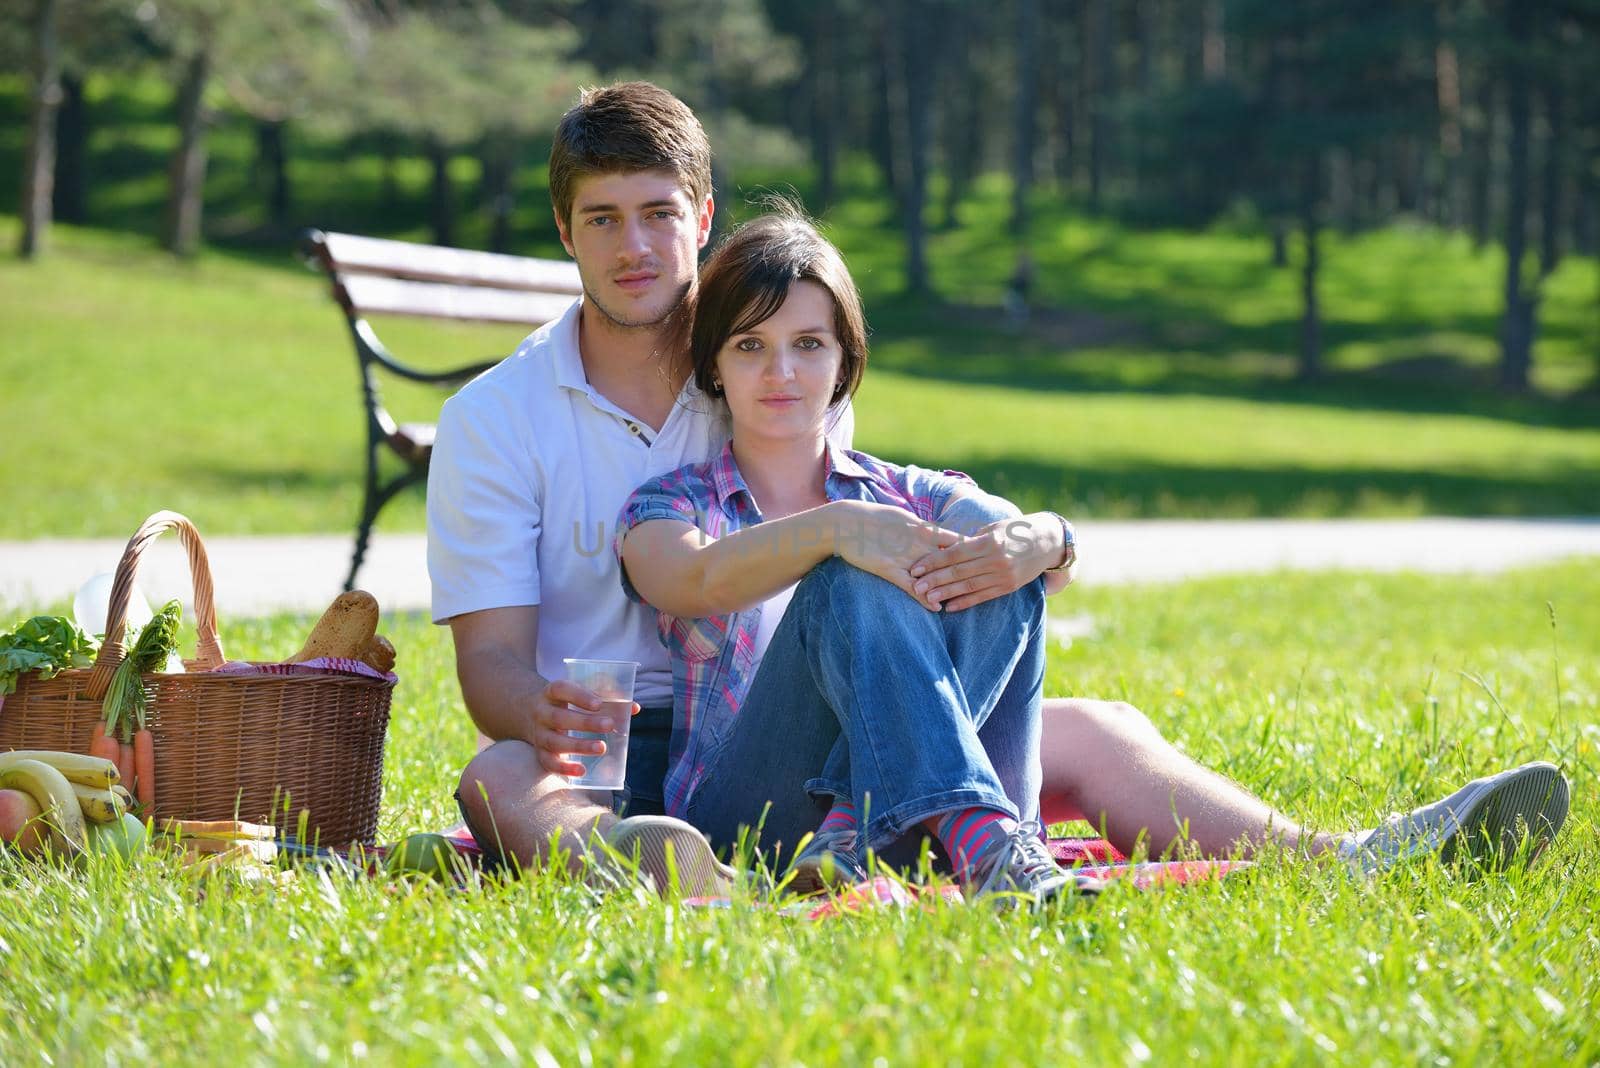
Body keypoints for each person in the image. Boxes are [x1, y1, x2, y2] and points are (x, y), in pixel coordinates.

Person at [431, 81, 1569, 898]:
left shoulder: (761, 350)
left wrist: (1041, 541)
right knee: (500, 770)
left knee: (1099, 722)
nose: (635, 246)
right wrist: (537, 710)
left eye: (658, 213)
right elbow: (499, 665)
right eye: (602, 219)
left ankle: (1349, 858)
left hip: (834, 710)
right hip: (624, 748)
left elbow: (932, 539)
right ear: (565, 233)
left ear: (703, 219)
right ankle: (656, 866)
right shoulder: (500, 419)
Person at [616, 209, 1079, 904]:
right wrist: (836, 528)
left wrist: (1047, 537)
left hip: (906, 830)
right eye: (749, 345)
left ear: (843, 360)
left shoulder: (905, 490)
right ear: (713, 361)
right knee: (845, 582)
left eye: (807, 344)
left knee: (998, 570)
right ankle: (970, 838)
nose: (781, 372)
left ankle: (870, 829)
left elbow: (1027, 561)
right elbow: (690, 578)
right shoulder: (669, 505)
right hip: (747, 823)